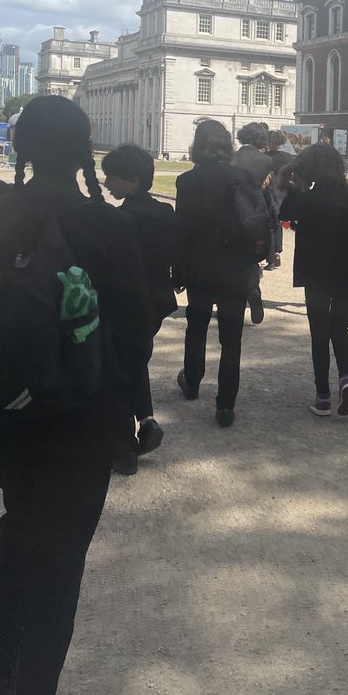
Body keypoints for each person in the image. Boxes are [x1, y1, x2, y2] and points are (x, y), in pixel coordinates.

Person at [0, 96, 148, 695]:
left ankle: (1, 682)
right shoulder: (102, 225)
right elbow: (135, 333)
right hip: (78, 418)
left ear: (20, 148)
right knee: (59, 563)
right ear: (84, 151)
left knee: (21, 528)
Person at [173, 120, 263, 427]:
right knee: (231, 338)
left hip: (199, 265)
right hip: (234, 265)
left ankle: (193, 380)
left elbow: (181, 231)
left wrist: (177, 269)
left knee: (196, 327)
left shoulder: (186, 181)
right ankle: (225, 403)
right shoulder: (243, 176)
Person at [101, 143, 177, 474]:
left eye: (112, 178)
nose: (106, 184)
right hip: (156, 302)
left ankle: (124, 450)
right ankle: (146, 421)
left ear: (132, 180)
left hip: (125, 303)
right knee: (134, 361)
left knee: (118, 373)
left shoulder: (119, 219)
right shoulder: (164, 213)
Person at [277, 143, 348, 417]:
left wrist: (290, 179)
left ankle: (323, 395)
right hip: (347, 271)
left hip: (315, 272)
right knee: (340, 327)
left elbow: (282, 213)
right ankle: (347, 378)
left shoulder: (306, 199)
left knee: (319, 332)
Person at [233, 123, 277, 323]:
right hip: (257, 210)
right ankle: (253, 289)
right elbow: (268, 189)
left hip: (234, 210)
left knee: (232, 256)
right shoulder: (266, 160)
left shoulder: (231, 158)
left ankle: (235, 299)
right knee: (251, 257)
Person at [263, 130, 293, 270]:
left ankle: (270, 257)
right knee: (279, 221)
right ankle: (277, 251)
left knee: (269, 223)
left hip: (268, 191)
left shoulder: (263, 157)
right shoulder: (288, 157)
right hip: (283, 192)